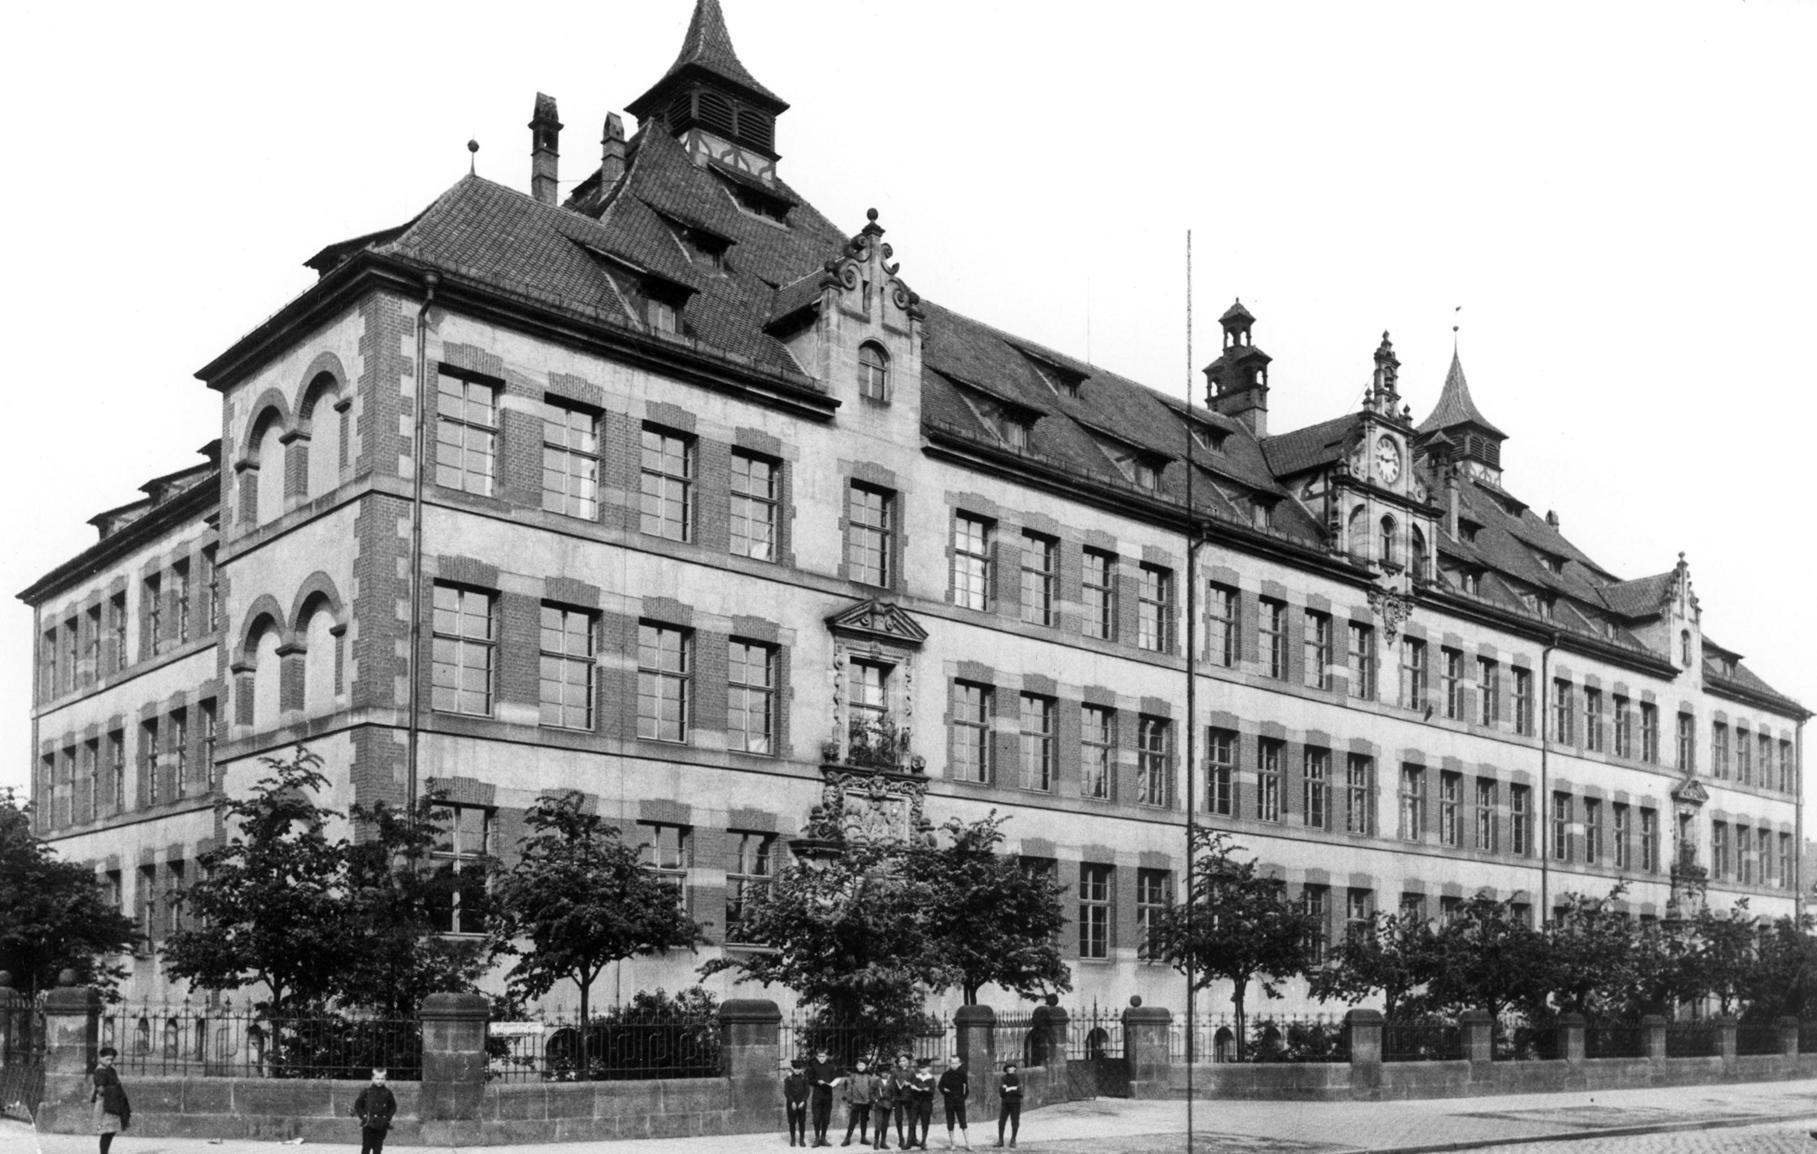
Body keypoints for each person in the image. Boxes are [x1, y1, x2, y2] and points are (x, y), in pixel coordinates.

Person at [91, 1046, 130, 1154]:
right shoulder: (100, 1071)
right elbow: (101, 1088)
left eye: (111, 1060)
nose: (109, 1062)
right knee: (107, 1131)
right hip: (105, 1104)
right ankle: (103, 1152)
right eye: (107, 1059)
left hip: (112, 1103)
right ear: (101, 1058)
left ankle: (105, 1151)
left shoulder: (111, 1070)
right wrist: (114, 1089)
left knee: (111, 1131)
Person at [353, 1068, 397, 1154]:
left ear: (385, 1079)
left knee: (378, 1147)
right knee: (366, 1146)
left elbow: (393, 1106)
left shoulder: (387, 1093)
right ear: (372, 1079)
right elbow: (358, 1105)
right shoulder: (367, 1091)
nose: (379, 1081)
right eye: (377, 1079)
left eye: (382, 1079)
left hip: (381, 1124)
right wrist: (364, 1116)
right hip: (368, 1123)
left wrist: (387, 1118)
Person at [807, 1048, 839, 1147]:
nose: (821, 1058)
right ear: (817, 1057)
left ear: (826, 1057)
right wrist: (817, 1082)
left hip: (828, 1094)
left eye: (823, 1056)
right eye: (819, 1056)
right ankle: (817, 1138)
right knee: (816, 1118)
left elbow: (835, 1079)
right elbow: (809, 1080)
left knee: (826, 1118)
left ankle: (823, 1138)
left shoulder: (831, 1066)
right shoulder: (813, 1066)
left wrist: (833, 1083)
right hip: (817, 1094)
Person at [937, 1056, 970, 1151]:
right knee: (950, 1122)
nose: (954, 1065)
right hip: (949, 1102)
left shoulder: (963, 1074)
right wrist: (944, 1090)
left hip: (959, 1102)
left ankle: (968, 1143)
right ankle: (952, 1143)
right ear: (949, 1064)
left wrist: (963, 1098)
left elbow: (966, 1088)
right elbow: (940, 1086)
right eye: (952, 1063)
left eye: (956, 1063)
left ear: (959, 1064)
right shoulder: (946, 1075)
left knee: (963, 1122)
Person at [841, 1059, 875, 1147]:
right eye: (859, 1065)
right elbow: (849, 1088)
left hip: (866, 1102)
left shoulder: (868, 1076)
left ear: (866, 1066)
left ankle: (863, 1138)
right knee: (853, 1120)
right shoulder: (853, 1076)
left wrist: (871, 1101)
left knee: (864, 1120)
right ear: (856, 1066)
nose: (860, 1067)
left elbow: (871, 1089)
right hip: (855, 1101)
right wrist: (850, 1100)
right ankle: (847, 1138)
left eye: (862, 1065)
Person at [904, 1057, 936, 1150]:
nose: (923, 1069)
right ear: (919, 1069)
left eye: (925, 1067)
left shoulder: (931, 1078)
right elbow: (912, 1089)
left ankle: (923, 1142)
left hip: (926, 1103)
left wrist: (919, 1089)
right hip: (916, 1103)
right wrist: (921, 1089)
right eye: (921, 1068)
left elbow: (931, 1091)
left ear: (929, 1068)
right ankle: (909, 1142)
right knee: (912, 1122)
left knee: (925, 1122)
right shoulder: (917, 1077)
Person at [869, 1060, 896, 1150]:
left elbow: (894, 1093)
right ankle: (876, 1141)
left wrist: (892, 1101)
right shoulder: (876, 1081)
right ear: (879, 1073)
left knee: (885, 1124)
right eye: (883, 1072)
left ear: (889, 1073)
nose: (885, 1074)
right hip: (879, 1105)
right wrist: (875, 1099)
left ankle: (883, 1142)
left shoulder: (891, 1082)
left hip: (888, 1105)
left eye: (887, 1072)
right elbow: (871, 1092)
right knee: (878, 1123)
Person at [994, 1062, 1021, 1149]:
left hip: (1015, 1103)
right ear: (1006, 1069)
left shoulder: (1018, 1078)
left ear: (1015, 1069)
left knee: (1015, 1121)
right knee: (1001, 1121)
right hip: (1005, 1103)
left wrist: (1008, 1089)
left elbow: (1020, 1091)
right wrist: (1013, 1088)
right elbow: (1001, 1091)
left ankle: (1013, 1140)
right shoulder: (1003, 1078)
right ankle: (1000, 1140)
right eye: (1008, 1068)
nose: (1010, 1069)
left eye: (1012, 1067)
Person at [785, 1058, 810, 1147]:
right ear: (792, 1068)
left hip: (801, 1104)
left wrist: (803, 1101)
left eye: (799, 1068)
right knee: (792, 1122)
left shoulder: (805, 1078)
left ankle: (802, 1139)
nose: (797, 1070)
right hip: (792, 1104)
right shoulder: (788, 1078)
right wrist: (792, 1102)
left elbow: (807, 1091)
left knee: (802, 1122)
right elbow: (787, 1092)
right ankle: (793, 1139)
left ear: (801, 1069)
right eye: (795, 1068)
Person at [890, 1054, 913, 1148]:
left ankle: (911, 1139)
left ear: (908, 1062)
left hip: (908, 1097)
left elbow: (916, 1083)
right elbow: (891, 1084)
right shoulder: (894, 1072)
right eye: (900, 1061)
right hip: (898, 1098)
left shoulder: (911, 1072)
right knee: (898, 1119)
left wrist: (910, 1084)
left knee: (911, 1118)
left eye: (904, 1060)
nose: (902, 1063)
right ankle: (901, 1139)